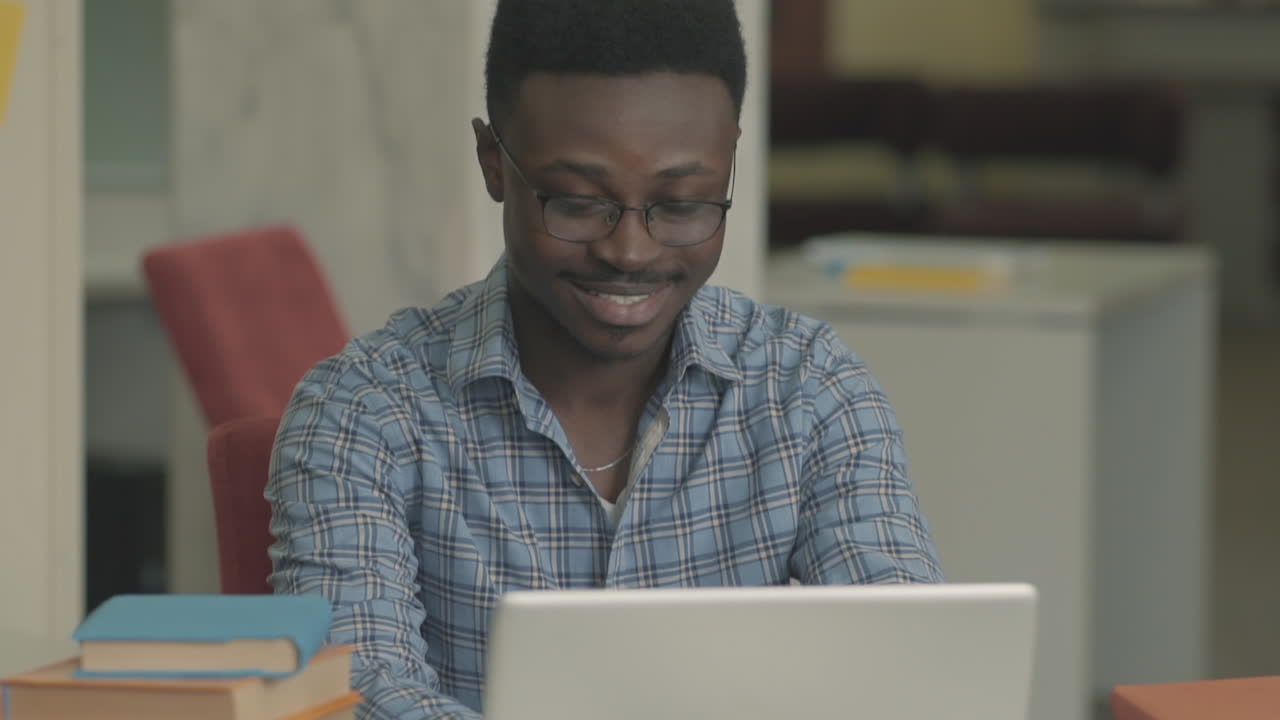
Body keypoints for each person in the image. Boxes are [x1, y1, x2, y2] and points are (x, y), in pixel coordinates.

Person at [266, 1, 942, 717]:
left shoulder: (808, 388)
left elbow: (906, 666)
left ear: (730, 162)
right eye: (579, 202)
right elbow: (354, 689)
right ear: (494, 162)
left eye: (682, 203)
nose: (630, 252)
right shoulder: (365, 412)